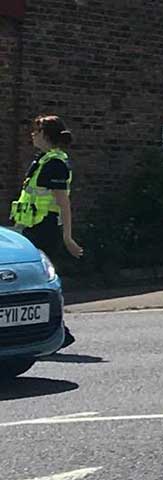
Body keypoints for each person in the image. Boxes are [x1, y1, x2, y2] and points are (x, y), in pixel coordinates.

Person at [12, 114, 82, 348]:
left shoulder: (55, 164)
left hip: (46, 229)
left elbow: (64, 204)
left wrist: (68, 237)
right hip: (30, 228)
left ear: (46, 136)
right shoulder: (42, 160)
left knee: (39, 284)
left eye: (36, 131)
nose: (32, 134)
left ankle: (58, 333)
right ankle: (50, 332)